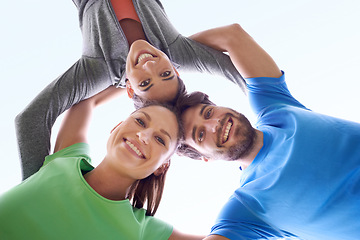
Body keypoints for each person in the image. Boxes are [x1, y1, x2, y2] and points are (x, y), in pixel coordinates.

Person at [16, 0, 245, 180]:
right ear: (176, 71)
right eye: (165, 74)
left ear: (128, 87)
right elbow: (235, 69)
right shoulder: (175, 50)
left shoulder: (98, 67)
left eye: (145, 83)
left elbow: (30, 119)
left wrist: (35, 190)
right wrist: (270, 112)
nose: (149, 65)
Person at [177, 24, 360, 239]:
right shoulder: (246, 208)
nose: (214, 124)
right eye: (200, 135)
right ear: (204, 157)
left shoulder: (274, 106)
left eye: (208, 113)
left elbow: (232, 36)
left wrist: (162, 69)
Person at [0, 86, 205, 240]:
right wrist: (147, 78)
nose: (143, 135)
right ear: (117, 127)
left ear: (162, 166)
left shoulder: (144, 231)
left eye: (160, 140)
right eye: (140, 121)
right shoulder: (67, 157)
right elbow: (87, 97)